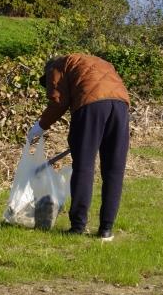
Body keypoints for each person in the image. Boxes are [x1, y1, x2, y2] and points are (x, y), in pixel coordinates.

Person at [28, 53, 130, 241]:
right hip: (121, 106)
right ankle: (106, 230)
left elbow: (58, 101)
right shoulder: (97, 62)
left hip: (91, 105)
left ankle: (78, 226)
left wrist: (40, 126)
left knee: (84, 167)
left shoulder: (57, 65)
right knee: (114, 170)